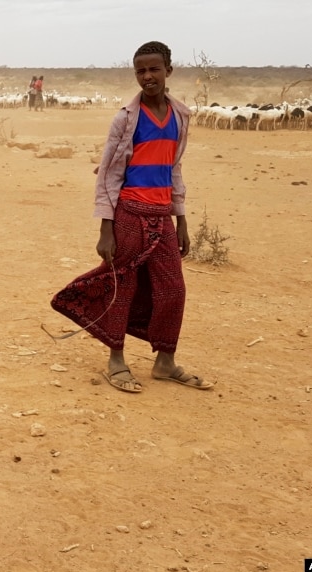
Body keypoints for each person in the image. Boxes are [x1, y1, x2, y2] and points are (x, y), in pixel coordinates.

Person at [50, 41, 211, 393]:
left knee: (173, 290)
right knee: (123, 287)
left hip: (162, 216)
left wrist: (181, 220)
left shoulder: (180, 116)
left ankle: (165, 362)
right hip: (129, 214)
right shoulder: (125, 118)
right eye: (141, 71)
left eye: (154, 69)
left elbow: (174, 169)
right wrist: (105, 229)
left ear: (169, 70)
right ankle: (116, 360)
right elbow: (108, 174)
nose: (147, 76)